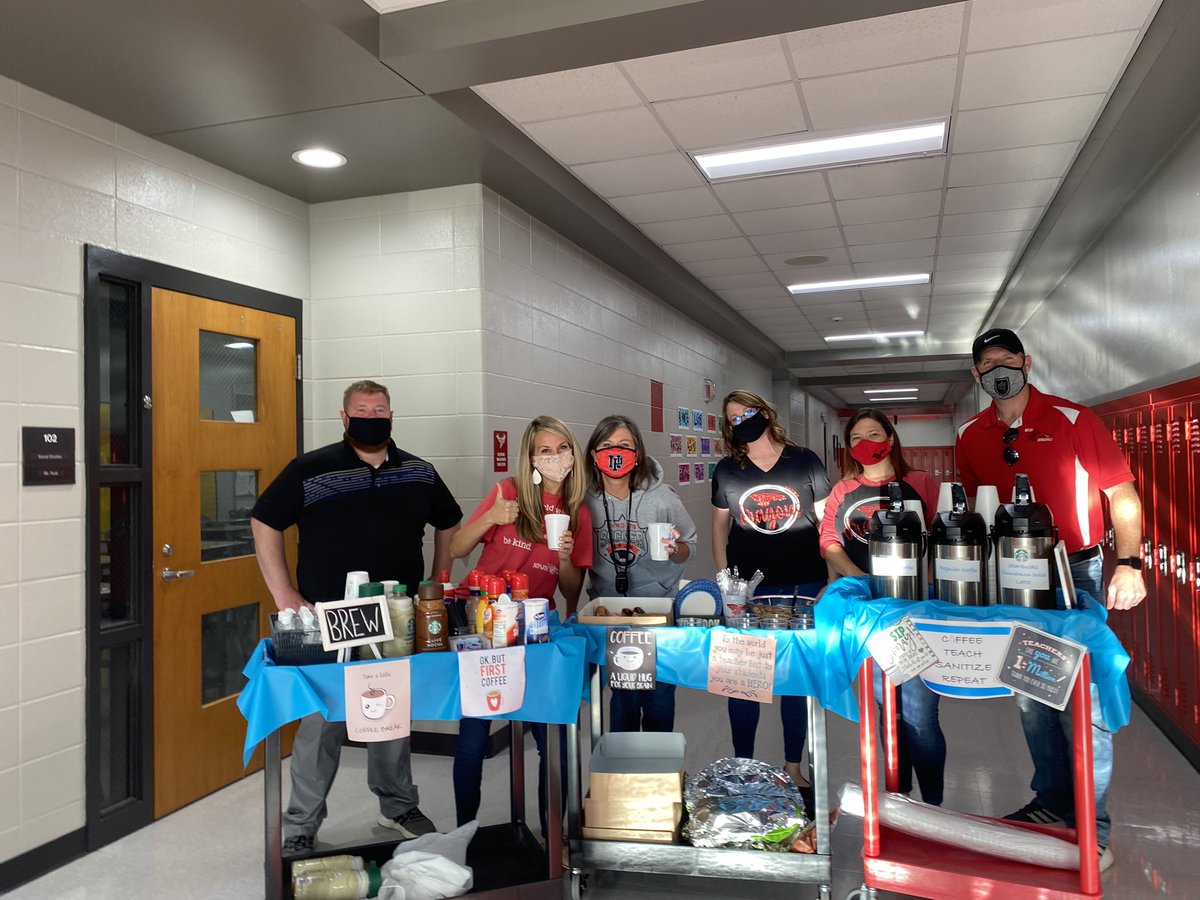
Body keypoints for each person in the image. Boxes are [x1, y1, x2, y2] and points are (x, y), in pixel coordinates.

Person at [956, 327, 1146, 872]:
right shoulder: (971, 433)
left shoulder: (1073, 419)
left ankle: (1094, 826)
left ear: (1026, 362)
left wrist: (1128, 563)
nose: (999, 369)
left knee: (1080, 704)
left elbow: (1121, 495)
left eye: (1007, 359)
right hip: (1012, 576)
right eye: (987, 363)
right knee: (1032, 699)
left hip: (1074, 572)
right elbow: (978, 508)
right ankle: (1053, 803)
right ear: (976, 375)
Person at [250, 380, 463, 856]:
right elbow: (264, 520)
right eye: (362, 409)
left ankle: (398, 806)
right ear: (344, 418)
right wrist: (284, 592)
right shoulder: (310, 469)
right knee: (320, 721)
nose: (372, 415)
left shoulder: (419, 473)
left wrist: (438, 582)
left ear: (392, 415)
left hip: (397, 615)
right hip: (331, 616)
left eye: (380, 408)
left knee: (389, 713)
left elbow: (449, 520)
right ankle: (302, 824)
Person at [448, 415, 593, 831]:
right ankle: (465, 833)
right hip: (485, 627)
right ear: (530, 457)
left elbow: (569, 592)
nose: (555, 458)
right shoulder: (507, 493)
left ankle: (553, 836)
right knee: (473, 740)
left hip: (535, 630)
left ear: (573, 454)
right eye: (544, 451)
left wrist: (565, 556)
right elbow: (458, 548)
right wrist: (491, 517)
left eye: (562, 448)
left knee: (551, 740)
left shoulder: (577, 513)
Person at [820, 408, 946, 806]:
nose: (865, 444)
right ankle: (899, 797)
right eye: (856, 438)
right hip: (870, 616)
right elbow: (828, 541)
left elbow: (940, 539)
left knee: (921, 714)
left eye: (873, 434)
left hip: (917, 613)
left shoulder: (920, 483)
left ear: (890, 439)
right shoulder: (843, 491)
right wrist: (862, 579)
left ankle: (932, 804)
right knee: (886, 709)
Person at [710, 390, 831, 791]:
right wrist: (726, 583)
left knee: (794, 683)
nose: (741, 420)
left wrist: (832, 580)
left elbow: (825, 523)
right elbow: (719, 529)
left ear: (765, 412)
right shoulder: (728, 470)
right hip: (750, 591)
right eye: (732, 417)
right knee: (742, 681)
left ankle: (793, 768)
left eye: (747, 411)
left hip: (805, 585)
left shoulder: (804, 460)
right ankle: (742, 765)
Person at [584, 414, 698, 732]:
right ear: (593, 454)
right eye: (606, 446)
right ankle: (626, 778)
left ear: (638, 454)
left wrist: (678, 550)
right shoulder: (584, 501)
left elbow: (691, 544)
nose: (615, 452)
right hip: (612, 617)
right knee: (624, 701)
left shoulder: (663, 497)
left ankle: (658, 775)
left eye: (624, 445)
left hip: (660, 613)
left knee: (660, 701)